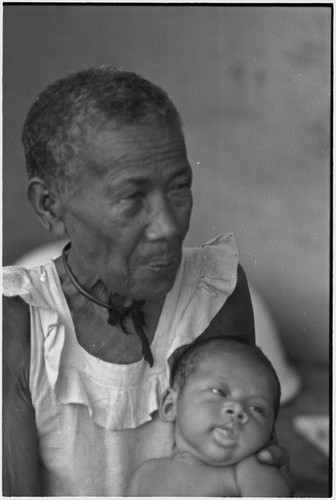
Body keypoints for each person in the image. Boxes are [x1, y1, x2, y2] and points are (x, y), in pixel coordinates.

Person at [3, 66, 291, 496]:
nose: (168, 227)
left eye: (178, 186)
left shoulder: (214, 295)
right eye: (131, 196)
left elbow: (246, 461)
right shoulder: (18, 321)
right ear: (49, 205)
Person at [126, 337, 290, 497]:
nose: (238, 408)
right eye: (220, 392)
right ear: (170, 405)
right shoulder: (145, 476)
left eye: (257, 408)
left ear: (270, 434)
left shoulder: (250, 473)